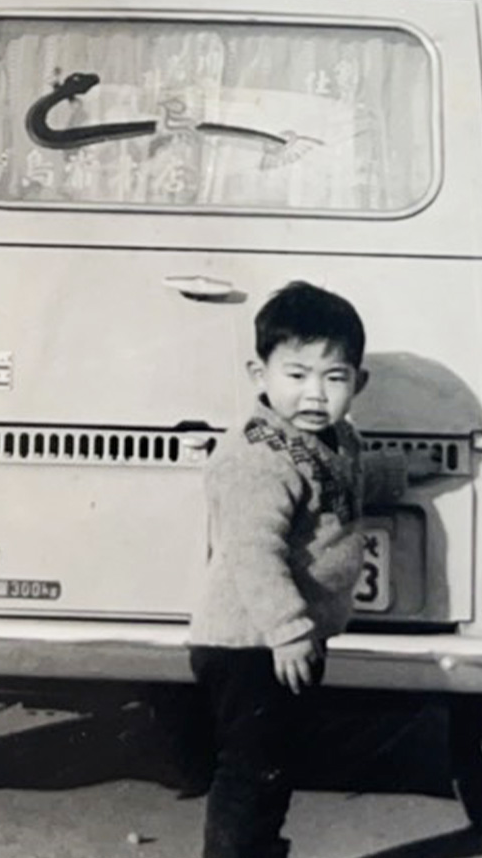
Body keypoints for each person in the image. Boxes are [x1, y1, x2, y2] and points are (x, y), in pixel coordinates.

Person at [188, 280, 428, 858]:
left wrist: (396, 471)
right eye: (296, 375)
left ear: (358, 383)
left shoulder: (330, 440)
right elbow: (253, 551)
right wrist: (290, 630)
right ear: (259, 375)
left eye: (334, 377)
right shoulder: (258, 455)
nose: (314, 394)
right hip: (251, 642)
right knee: (251, 773)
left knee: (274, 767)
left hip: (280, 639)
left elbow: (340, 483)